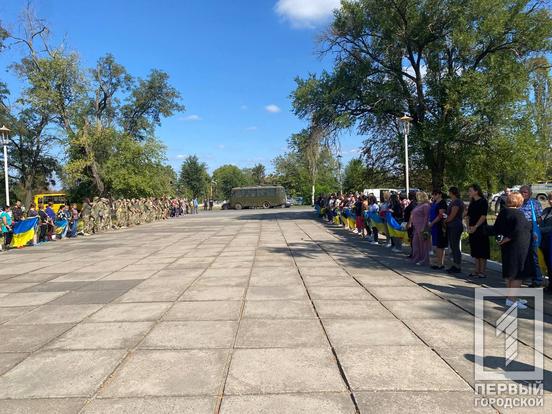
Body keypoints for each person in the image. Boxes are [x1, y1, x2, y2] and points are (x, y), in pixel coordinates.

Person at [493, 192, 533, 309]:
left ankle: (511, 297)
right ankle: (512, 300)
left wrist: (500, 240)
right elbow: (517, 231)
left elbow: (496, 229)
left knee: (510, 272)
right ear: (519, 202)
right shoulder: (518, 214)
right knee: (517, 274)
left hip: (508, 247)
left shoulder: (503, 212)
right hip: (518, 247)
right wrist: (506, 239)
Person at [519, 185, 544, 287]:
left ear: (530, 193)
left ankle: (537, 279)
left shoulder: (535, 203)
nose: (523, 194)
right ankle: (524, 277)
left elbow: (540, 218)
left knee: (533, 256)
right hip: (520, 234)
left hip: (532, 233)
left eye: (525, 192)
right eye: (521, 192)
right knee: (522, 256)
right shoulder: (518, 203)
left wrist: (529, 223)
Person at [466, 184, 490, 278]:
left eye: (470, 190)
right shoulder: (472, 202)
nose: (469, 192)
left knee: (482, 250)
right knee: (475, 250)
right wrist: (468, 227)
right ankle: (476, 270)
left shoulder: (483, 201)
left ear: (476, 191)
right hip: (472, 228)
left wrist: (475, 226)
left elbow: (483, 216)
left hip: (481, 228)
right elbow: (468, 216)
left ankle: (482, 272)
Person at [444, 186, 464, 274]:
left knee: (455, 246)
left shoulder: (456, 202)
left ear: (452, 192)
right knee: (453, 245)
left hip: (455, 225)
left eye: (449, 192)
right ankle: (455, 264)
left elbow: (453, 215)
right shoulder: (454, 201)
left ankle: (457, 266)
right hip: (452, 225)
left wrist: (446, 220)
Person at [409, 191, 431, 266]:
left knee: (424, 244)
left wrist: (424, 227)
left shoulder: (426, 206)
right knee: (415, 243)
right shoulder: (419, 205)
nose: (417, 197)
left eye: (418, 196)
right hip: (416, 227)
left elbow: (426, 217)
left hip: (422, 227)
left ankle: (424, 260)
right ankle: (416, 257)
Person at [428, 190, 447, 270]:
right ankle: (439, 262)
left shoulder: (442, 203)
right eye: (433, 195)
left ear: (439, 194)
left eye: (435, 194)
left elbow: (440, 215)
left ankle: (440, 263)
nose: (433, 196)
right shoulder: (434, 203)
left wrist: (432, 223)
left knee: (439, 245)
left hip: (439, 226)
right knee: (436, 245)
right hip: (433, 226)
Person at [541, 192, 552, 292]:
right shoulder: (546, 210)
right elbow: (540, 222)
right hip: (544, 242)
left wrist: (540, 230)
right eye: (549, 199)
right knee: (548, 263)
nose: (551, 201)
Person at [403, 192, 417, 258]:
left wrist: (409, 223)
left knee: (412, 238)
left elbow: (412, 214)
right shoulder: (412, 203)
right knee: (411, 238)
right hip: (410, 222)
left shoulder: (413, 204)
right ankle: (413, 252)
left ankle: (414, 253)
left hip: (411, 223)